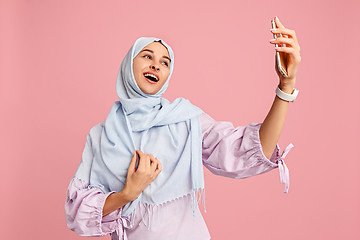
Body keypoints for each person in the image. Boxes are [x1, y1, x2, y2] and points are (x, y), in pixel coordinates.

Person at [65, 16, 301, 240]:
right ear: (129, 64)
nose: (156, 65)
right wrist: (128, 193)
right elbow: (78, 213)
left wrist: (285, 87)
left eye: (165, 62)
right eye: (147, 56)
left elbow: (245, 151)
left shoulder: (185, 120)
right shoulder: (101, 136)